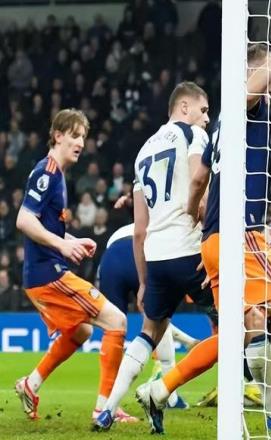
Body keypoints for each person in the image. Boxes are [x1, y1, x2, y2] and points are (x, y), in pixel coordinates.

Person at [135, 14, 271, 440]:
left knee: (235, 336)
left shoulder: (222, 124)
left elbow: (199, 182)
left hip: (216, 240)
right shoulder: (246, 104)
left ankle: (159, 390)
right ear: (255, 71)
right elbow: (252, 86)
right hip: (242, 236)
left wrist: (197, 219)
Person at [94, 81, 212, 432]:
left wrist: (144, 282)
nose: (207, 118)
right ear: (185, 107)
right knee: (240, 324)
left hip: (156, 257)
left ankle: (107, 410)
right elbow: (198, 184)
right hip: (190, 250)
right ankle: (161, 391)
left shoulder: (142, 152)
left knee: (149, 331)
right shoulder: (194, 135)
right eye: (203, 110)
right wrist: (202, 219)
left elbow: (139, 229)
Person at [15, 109, 127, 421]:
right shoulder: (47, 172)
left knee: (82, 331)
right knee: (117, 321)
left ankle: (30, 384)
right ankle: (105, 409)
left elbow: (45, 225)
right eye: (75, 135)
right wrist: (63, 246)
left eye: (83, 137)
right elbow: (24, 219)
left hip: (43, 274)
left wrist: (73, 239)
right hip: (48, 274)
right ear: (58, 136)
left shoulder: (57, 175)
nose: (80, 143)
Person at [97, 222, 204, 410]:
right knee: (157, 319)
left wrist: (188, 341)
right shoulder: (174, 229)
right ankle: (171, 397)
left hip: (109, 260)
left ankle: (103, 405)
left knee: (114, 327)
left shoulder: (139, 224)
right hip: (141, 254)